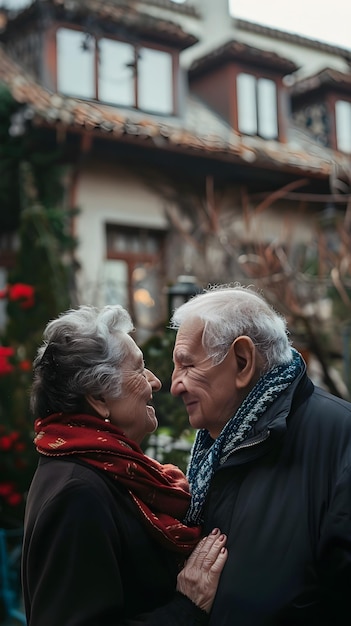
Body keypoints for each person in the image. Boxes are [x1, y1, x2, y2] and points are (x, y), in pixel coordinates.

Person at [21, 304, 228, 626]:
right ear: (99, 396)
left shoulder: (102, 470)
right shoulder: (78, 492)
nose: (156, 381)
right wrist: (187, 605)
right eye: (138, 368)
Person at [170, 283, 351, 626]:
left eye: (187, 365)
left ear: (242, 361)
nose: (175, 384)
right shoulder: (214, 446)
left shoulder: (340, 442)